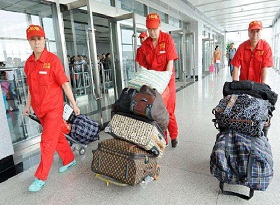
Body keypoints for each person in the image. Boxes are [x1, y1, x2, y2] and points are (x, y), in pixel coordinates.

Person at [23, 25, 80, 192]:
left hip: (53, 109)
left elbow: (64, 84)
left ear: (44, 40)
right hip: (39, 109)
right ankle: (69, 159)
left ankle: (40, 177)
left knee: (47, 142)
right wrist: (27, 105)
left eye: (39, 39)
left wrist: (74, 104)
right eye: (32, 40)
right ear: (29, 42)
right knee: (56, 137)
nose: (36, 43)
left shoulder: (52, 60)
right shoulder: (29, 63)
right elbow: (30, 88)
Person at [137, 13, 179, 148]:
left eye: (154, 29)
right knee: (155, 112)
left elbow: (170, 62)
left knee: (169, 111)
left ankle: (174, 135)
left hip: (167, 82)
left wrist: (164, 80)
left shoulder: (167, 39)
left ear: (159, 26)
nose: (152, 32)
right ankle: (163, 139)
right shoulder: (145, 45)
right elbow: (143, 66)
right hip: (153, 84)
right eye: (149, 29)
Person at [231, 20, 273, 137]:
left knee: (258, 110)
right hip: (243, 85)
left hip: (258, 85)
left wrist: (263, 87)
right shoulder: (242, 47)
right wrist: (234, 86)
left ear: (261, 32)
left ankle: (258, 133)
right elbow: (236, 67)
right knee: (242, 108)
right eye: (252, 31)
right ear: (248, 32)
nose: (255, 34)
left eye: (257, 31)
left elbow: (265, 68)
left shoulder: (266, 47)